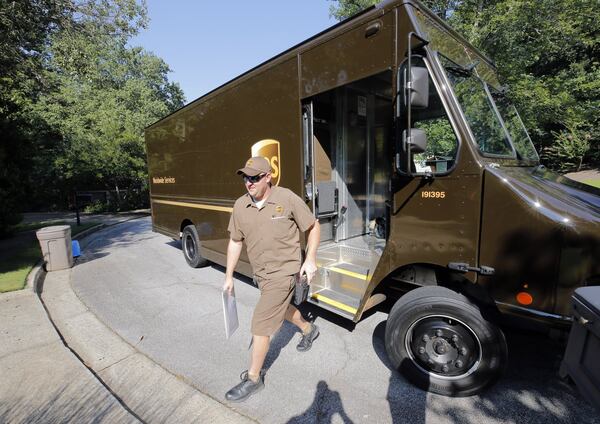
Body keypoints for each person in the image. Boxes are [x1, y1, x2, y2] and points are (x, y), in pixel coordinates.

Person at [223, 156, 321, 402]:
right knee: (281, 309)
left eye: (255, 177)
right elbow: (235, 241)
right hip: (261, 275)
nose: (249, 182)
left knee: (261, 323)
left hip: (285, 272)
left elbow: (313, 226)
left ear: (269, 176)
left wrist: (310, 259)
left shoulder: (286, 198)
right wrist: (229, 276)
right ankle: (309, 329)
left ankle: (254, 378)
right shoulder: (240, 206)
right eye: (246, 177)